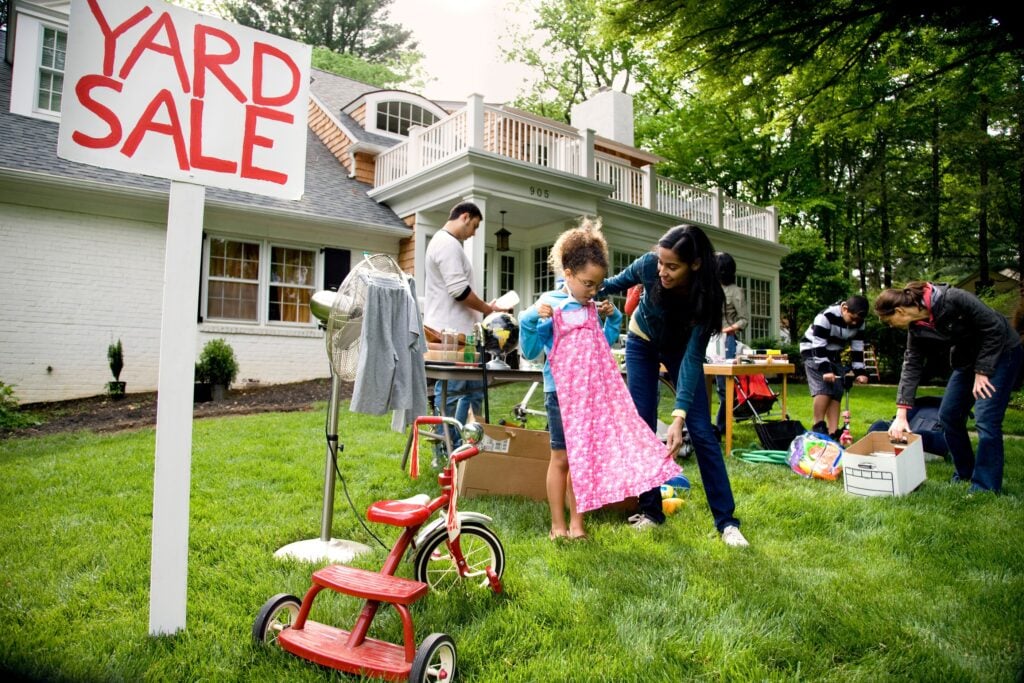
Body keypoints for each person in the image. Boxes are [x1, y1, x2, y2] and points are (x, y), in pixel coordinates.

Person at [519, 218, 680, 541]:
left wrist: (615, 319)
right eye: (587, 283)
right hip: (560, 394)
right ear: (567, 274)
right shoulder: (549, 305)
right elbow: (531, 350)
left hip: (590, 396)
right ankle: (557, 525)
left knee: (582, 459)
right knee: (562, 457)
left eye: (597, 284)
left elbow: (601, 345)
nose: (593, 291)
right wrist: (534, 320)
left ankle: (577, 525)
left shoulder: (591, 308)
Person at [601, 224, 749, 547]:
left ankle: (727, 523)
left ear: (694, 264)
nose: (662, 271)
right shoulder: (647, 266)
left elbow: (694, 359)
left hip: (682, 351)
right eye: (660, 263)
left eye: (672, 266)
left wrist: (678, 415)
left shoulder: (708, 297)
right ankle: (650, 511)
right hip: (642, 342)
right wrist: (579, 291)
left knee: (701, 430)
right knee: (642, 423)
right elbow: (612, 284)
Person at [874, 282, 1022, 494]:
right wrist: (901, 414)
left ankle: (985, 487)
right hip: (968, 361)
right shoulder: (916, 328)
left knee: (986, 419)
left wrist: (983, 371)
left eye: (889, 321)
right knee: (949, 415)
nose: (891, 326)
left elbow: (994, 327)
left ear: (899, 311)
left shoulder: (953, 299)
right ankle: (965, 473)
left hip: (1002, 352)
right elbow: (911, 365)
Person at [423, 201, 506, 450]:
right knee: (453, 391)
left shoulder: (450, 244)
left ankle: (470, 444)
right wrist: (487, 309)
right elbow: (459, 291)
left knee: (474, 392)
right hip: (449, 335)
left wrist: (483, 309)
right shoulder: (446, 244)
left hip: (464, 335)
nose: (474, 233)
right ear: (465, 217)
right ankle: (447, 447)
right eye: (475, 226)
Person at [798, 296, 871, 439]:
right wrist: (826, 370)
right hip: (812, 351)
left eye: (859, 320)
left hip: (833, 353)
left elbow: (857, 347)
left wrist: (860, 372)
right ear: (844, 309)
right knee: (824, 388)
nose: (855, 323)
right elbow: (818, 345)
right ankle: (818, 426)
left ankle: (833, 432)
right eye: (853, 318)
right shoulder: (825, 317)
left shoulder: (859, 322)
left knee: (837, 389)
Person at [714, 252, 748, 439]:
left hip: (726, 342)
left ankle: (722, 427)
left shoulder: (736, 292)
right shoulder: (709, 287)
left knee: (723, 386)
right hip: (707, 339)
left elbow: (744, 320)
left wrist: (728, 330)